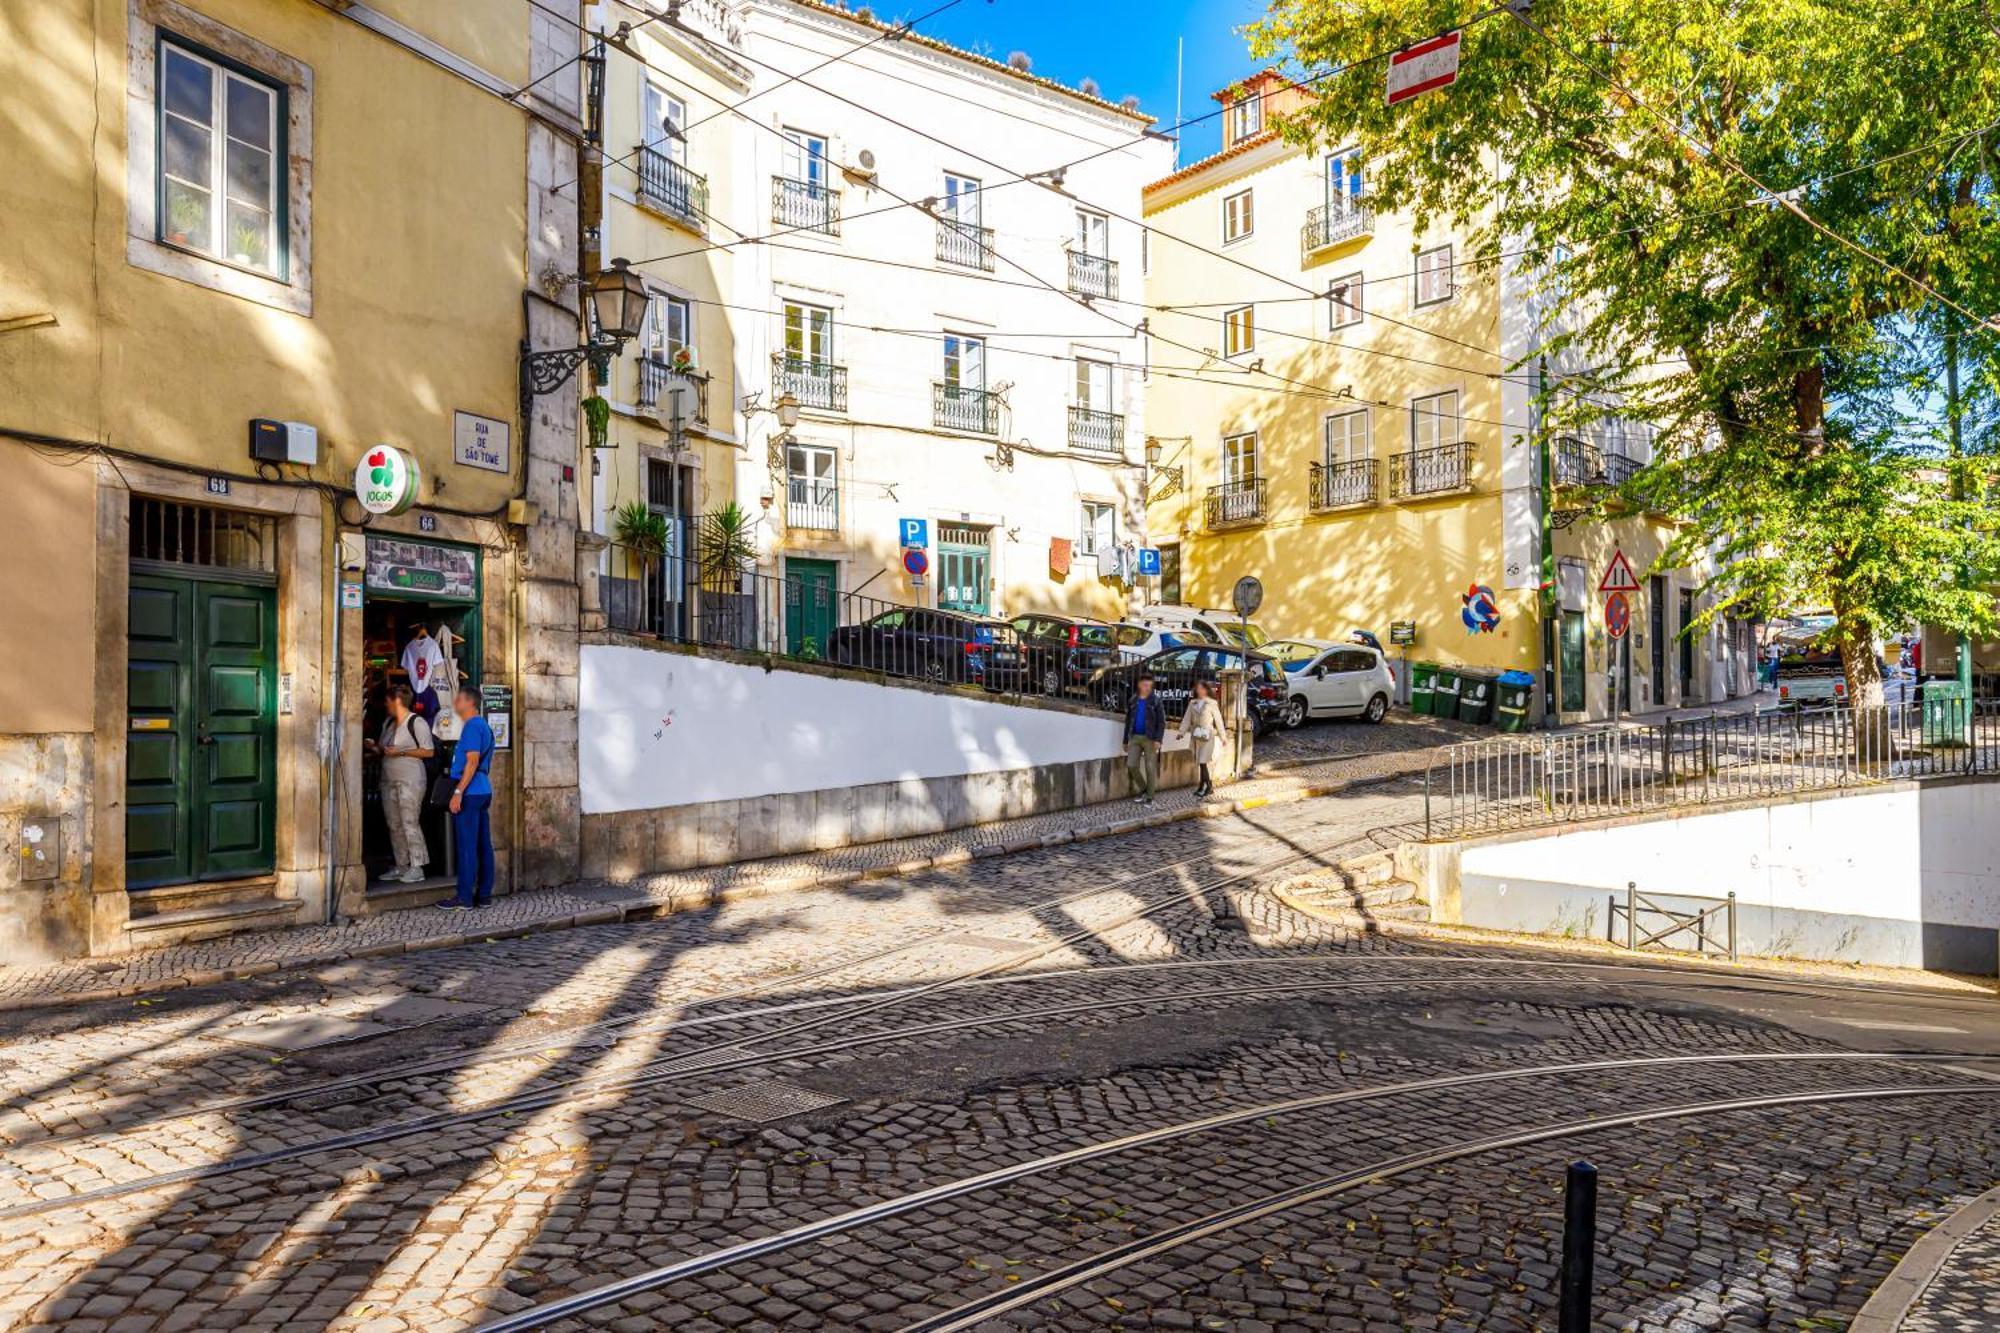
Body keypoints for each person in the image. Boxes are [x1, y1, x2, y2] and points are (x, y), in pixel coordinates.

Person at [366, 685, 434, 883]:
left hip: (410, 779)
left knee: (409, 821)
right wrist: (375, 748)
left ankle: (417, 866)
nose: (385, 705)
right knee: (394, 824)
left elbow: (428, 751)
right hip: (389, 779)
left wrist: (402, 752)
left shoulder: (416, 722)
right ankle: (401, 864)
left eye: (387, 701)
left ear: (396, 701)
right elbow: (386, 750)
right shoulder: (389, 723)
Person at [442, 686, 495, 910]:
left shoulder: (472, 726)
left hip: (471, 792)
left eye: (459, 699)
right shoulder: (482, 725)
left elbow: (472, 761)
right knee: (483, 844)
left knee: (467, 846)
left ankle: (464, 897)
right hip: (482, 789)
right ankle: (484, 895)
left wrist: (458, 792)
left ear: (469, 703)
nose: (455, 702)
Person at [1178, 677, 1225, 800]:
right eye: (1197, 688)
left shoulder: (1212, 703)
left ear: (1206, 689)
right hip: (1196, 736)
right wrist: (1181, 732)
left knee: (1203, 762)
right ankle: (1204, 785)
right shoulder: (1192, 703)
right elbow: (1187, 719)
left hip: (1207, 737)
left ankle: (1207, 786)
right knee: (1200, 762)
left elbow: (1219, 720)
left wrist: (1223, 736)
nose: (1199, 690)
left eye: (1201, 688)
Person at [1125, 672, 1165, 805]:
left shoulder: (1156, 700)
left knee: (1150, 767)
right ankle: (1143, 789)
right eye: (1145, 685)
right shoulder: (1133, 700)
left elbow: (1161, 722)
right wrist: (1125, 740)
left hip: (1150, 738)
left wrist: (1158, 739)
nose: (1147, 688)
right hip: (1135, 737)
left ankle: (1150, 796)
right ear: (1139, 685)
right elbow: (1128, 721)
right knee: (1131, 765)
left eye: (1149, 685)